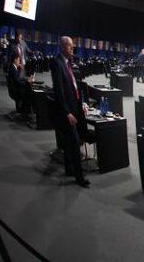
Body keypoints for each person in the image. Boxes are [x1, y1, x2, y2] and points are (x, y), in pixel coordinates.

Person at [51, 36, 89, 188]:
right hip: (67, 111)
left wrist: (81, 106)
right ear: (63, 47)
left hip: (75, 108)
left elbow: (73, 87)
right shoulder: (57, 63)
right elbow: (59, 91)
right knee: (74, 142)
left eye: (72, 46)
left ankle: (68, 169)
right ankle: (79, 177)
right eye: (70, 47)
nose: (72, 49)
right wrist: (67, 113)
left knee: (68, 142)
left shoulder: (68, 63)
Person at [8, 52, 34, 119]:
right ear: (15, 60)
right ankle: (25, 112)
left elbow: (18, 78)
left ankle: (24, 111)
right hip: (16, 91)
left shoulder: (14, 68)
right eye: (19, 60)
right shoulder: (13, 69)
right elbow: (18, 82)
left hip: (15, 89)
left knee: (28, 90)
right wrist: (27, 82)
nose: (19, 62)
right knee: (30, 93)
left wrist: (26, 79)